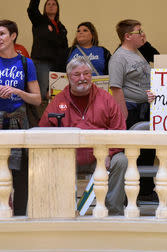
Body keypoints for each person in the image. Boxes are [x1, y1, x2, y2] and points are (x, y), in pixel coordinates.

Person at [39, 56, 127, 215]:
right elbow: (43, 130)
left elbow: (119, 129)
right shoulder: (58, 101)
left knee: (121, 161)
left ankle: (114, 212)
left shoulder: (106, 98)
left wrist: (110, 153)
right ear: (68, 78)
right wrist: (58, 155)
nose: (82, 78)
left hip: (100, 157)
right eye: (77, 74)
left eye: (86, 73)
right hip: (69, 158)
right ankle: (64, 209)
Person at [0, 20, 41, 216]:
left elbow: (37, 99)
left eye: (2, 34)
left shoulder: (25, 63)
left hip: (18, 122)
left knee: (20, 174)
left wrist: (18, 92)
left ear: (13, 36)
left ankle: (20, 215)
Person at [109, 19, 154, 199]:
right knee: (133, 153)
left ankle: (146, 192)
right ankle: (131, 195)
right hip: (131, 109)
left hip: (145, 108)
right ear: (127, 36)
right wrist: (123, 114)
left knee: (148, 152)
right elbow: (116, 87)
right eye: (139, 31)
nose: (143, 35)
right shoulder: (118, 58)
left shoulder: (138, 53)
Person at [27, 0, 68, 103]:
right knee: (43, 94)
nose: (51, 5)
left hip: (57, 65)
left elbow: (64, 47)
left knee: (54, 95)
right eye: (48, 4)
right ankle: (39, 121)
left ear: (58, 9)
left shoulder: (61, 27)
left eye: (54, 4)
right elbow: (32, 10)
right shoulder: (40, 21)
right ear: (44, 8)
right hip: (41, 63)